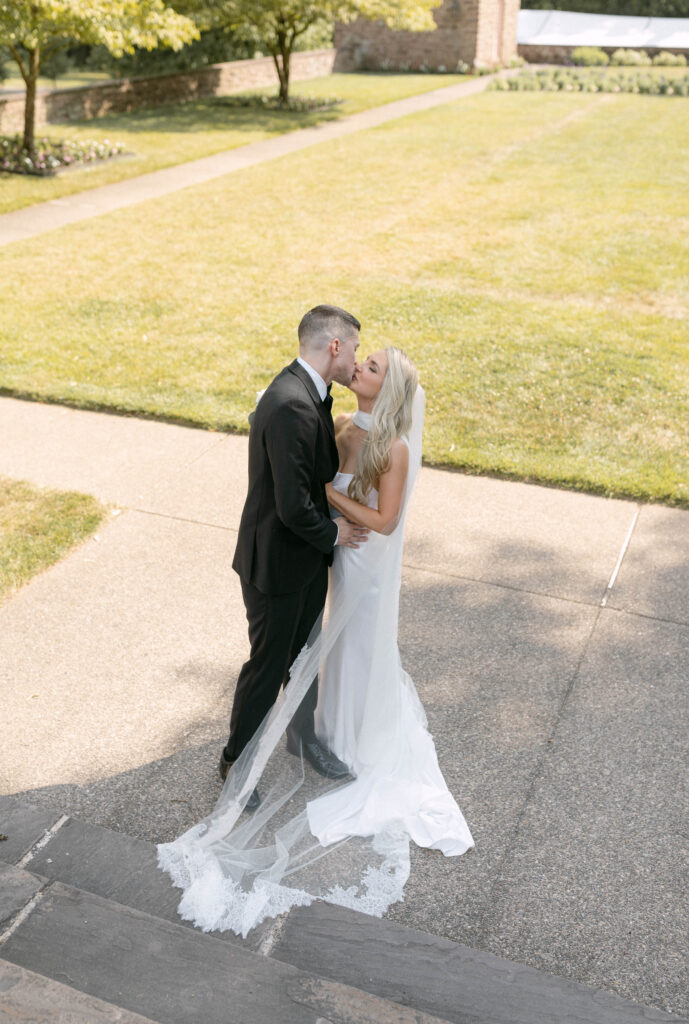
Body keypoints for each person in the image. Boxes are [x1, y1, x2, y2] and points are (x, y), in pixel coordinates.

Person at [158, 343, 473, 937]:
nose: (359, 366)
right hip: (332, 556)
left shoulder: (394, 446)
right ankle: (302, 736)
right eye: (362, 359)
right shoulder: (340, 422)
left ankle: (345, 737)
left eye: (372, 366)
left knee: (356, 649)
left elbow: (382, 521)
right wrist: (326, 500)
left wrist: (327, 495)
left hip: (365, 566)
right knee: (309, 651)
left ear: (391, 389)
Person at [220, 305, 369, 802]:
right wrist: (335, 534)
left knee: (306, 656)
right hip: (276, 566)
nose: (356, 359)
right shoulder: (289, 404)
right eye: (353, 349)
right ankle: (235, 762)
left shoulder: (311, 393)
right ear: (334, 347)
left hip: (304, 561)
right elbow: (290, 507)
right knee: (268, 664)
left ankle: (300, 738)